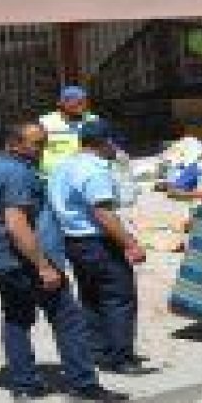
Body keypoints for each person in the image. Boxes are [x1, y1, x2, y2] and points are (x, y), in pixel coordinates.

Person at [0, 122, 124, 403]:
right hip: (23, 259)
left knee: (17, 317)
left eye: (43, 143)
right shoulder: (17, 173)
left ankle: (24, 384)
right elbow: (16, 224)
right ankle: (83, 383)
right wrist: (43, 266)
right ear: (14, 144)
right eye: (36, 144)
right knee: (67, 317)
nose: (41, 150)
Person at [48, 120, 151, 376]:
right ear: (105, 142)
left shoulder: (64, 166)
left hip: (73, 240)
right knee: (118, 298)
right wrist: (130, 244)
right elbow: (103, 213)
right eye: (114, 142)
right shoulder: (94, 171)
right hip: (97, 242)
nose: (117, 148)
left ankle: (98, 351)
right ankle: (120, 357)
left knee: (91, 297)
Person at [39, 86, 98, 176]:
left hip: (84, 174)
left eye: (82, 101)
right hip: (52, 176)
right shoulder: (46, 122)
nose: (80, 104)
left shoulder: (93, 120)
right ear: (60, 103)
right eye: (73, 100)